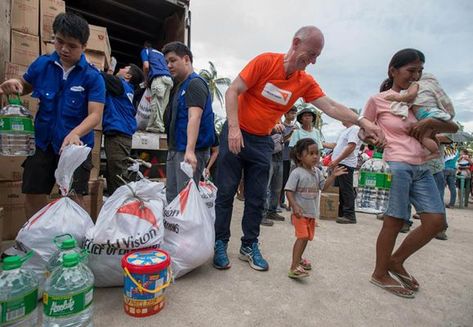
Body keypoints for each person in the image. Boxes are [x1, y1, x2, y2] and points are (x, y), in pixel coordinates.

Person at [213, 25, 384, 272]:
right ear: (295, 43)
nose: (312, 61)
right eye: (311, 54)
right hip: (236, 133)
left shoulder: (304, 82)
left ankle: (249, 245)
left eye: (317, 57)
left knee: (257, 197)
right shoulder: (265, 62)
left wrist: (361, 121)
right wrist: (233, 129)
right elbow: (232, 91)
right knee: (226, 192)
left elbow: (331, 106)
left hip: (262, 141)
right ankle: (220, 243)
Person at [363, 48, 458, 298]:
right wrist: (373, 137)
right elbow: (364, 129)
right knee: (395, 220)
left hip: (423, 166)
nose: (416, 76)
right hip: (397, 165)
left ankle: (396, 261)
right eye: (411, 70)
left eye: (420, 71)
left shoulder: (422, 99)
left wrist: (428, 123)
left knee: (436, 222)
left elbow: (452, 125)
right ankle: (380, 273)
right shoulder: (379, 99)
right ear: (393, 71)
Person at [0, 13, 106, 218]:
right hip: (42, 142)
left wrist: (75, 133)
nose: (64, 49)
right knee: (34, 193)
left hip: (75, 147)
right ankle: (36, 239)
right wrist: (16, 85)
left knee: (74, 197)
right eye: (59, 41)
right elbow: (25, 85)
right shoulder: (42, 65)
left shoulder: (92, 77)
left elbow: (95, 115)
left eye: (72, 45)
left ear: (83, 46)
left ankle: (75, 241)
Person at [285, 138, 346, 278]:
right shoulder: (296, 173)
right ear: (300, 156)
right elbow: (288, 190)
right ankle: (294, 267)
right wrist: (294, 206)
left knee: (306, 238)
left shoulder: (317, 172)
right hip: (300, 213)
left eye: (317, 153)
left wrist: (332, 176)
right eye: (311, 153)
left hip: (311, 213)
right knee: (302, 236)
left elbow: (323, 187)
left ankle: (299, 259)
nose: (315, 156)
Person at [162, 41, 215, 203]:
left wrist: (190, 150)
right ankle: (175, 228)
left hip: (189, 152)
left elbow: (195, 117)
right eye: (167, 62)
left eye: (172, 60)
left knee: (185, 200)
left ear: (186, 59)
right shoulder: (179, 87)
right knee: (173, 198)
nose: (169, 65)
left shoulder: (195, 84)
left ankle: (188, 229)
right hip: (176, 150)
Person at [384, 72, 455, 160]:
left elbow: (410, 96)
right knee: (431, 136)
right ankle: (436, 151)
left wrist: (396, 98)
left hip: (426, 114)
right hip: (432, 114)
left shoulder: (415, 84)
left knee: (424, 137)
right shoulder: (426, 89)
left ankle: (435, 152)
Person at [101, 64, 145, 195]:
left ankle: (124, 208)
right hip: (121, 135)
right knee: (114, 174)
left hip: (118, 135)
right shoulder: (127, 89)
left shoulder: (119, 84)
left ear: (128, 75)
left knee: (118, 177)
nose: (120, 69)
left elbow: (98, 75)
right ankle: (116, 206)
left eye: (123, 67)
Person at [328, 111, 361, 224]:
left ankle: (349, 214)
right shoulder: (346, 131)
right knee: (340, 189)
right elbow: (336, 146)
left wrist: (337, 160)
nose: (341, 117)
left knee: (346, 189)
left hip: (345, 163)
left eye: (343, 115)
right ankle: (341, 212)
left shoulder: (355, 129)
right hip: (341, 163)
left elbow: (351, 146)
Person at [140, 41, 173, 133]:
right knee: (162, 106)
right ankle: (152, 125)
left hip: (158, 79)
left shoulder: (145, 51)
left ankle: (158, 127)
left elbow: (146, 66)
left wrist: (146, 80)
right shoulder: (161, 54)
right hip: (169, 80)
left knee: (156, 104)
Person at [261, 129, 285, 226]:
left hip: (279, 159)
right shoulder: (269, 121)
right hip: (268, 158)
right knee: (265, 188)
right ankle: (262, 215)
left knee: (277, 188)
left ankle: (272, 211)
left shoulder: (280, 124)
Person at [280, 106, 298, 210]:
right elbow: (281, 140)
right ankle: (278, 202)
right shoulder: (281, 126)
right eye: (291, 113)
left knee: (287, 181)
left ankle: (282, 201)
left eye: (294, 113)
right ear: (285, 114)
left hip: (290, 159)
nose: (293, 115)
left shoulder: (296, 127)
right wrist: (291, 135)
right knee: (279, 181)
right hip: (281, 157)